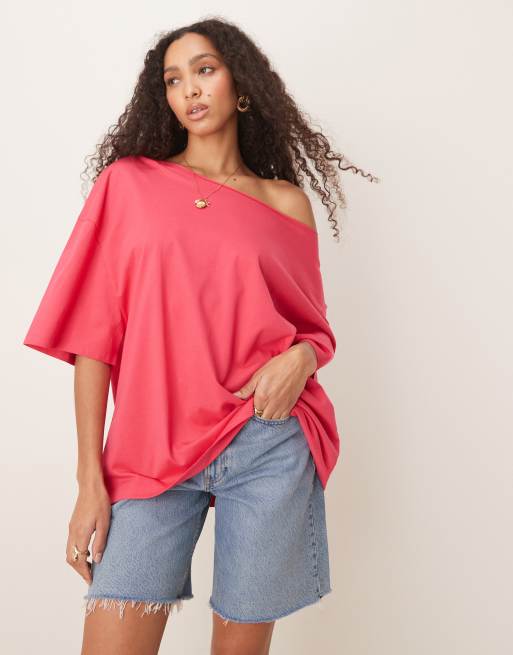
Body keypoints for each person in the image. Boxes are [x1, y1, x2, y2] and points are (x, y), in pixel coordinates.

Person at [22, 16, 378, 655]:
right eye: (173, 79)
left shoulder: (284, 202)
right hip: (150, 446)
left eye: (205, 70)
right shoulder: (128, 185)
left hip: (267, 439)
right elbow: (93, 338)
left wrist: (300, 357)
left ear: (239, 85)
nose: (189, 88)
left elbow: (314, 330)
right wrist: (89, 482)